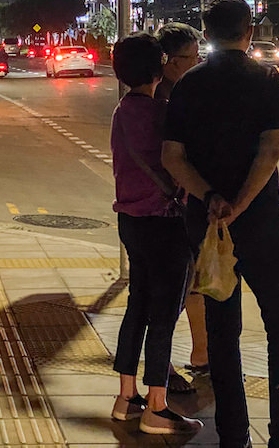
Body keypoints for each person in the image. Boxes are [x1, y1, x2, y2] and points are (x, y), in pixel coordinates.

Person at [161, 0, 279, 448]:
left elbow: (171, 157)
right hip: (264, 226)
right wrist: (242, 203)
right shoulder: (265, 78)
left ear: (204, 32)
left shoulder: (188, 85)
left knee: (222, 332)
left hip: (210, 229)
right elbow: (270, 150)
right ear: (249, 31)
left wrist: (212, 199)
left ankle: (233, 435)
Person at [109, 33, 203, 437]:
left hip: (130, 221)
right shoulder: (160, 112)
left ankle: (126, 397)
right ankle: (157, 406)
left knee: (138, 306)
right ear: (158, 66)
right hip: (164, 222)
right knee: (163, 314)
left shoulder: (121, 111)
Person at [155, 23, 210, 381]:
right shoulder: (166, 99)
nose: (198, 62)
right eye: (192, 57)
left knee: (193, 283)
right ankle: (165, 367)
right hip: (170, 209)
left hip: (181, 205)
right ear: (171, 61)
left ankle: (201, 354)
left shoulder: (181, 93)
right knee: (174, 290)